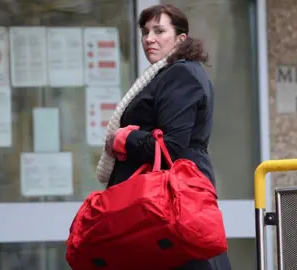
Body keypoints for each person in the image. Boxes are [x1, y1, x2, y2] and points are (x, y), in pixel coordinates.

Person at [96, 4, 232, 270]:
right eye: (145, 32)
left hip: (173, 199)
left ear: (181, 38)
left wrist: (124, 140)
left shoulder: (180, 74)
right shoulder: (168, 73)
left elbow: (171, 146)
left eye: (159, 31)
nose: (149, 39)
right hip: (167, 201)